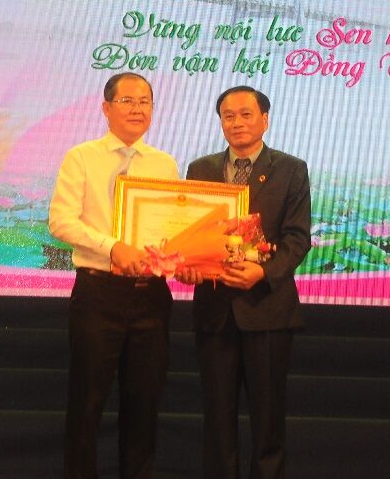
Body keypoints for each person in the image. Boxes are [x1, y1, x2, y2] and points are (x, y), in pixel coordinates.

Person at [48, 72, 180, 479]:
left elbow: (171, 227)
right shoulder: (81, 157)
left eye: (145, 101)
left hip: (151, 295)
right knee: (87, 403)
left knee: (144, 405)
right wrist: (112, 247)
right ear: (106, 108)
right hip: (99, 293)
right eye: (127, 101)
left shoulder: (163, 163)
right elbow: (60, 221)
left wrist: (180, 254)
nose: (137, 109)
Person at [179, 86, 311, 479]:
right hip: (214, 311)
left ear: (264, 119)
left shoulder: (291, 169)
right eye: (228, 116)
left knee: (268, 420)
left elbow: (297, 238)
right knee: (217, 418)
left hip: (267, 311)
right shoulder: (200, 170)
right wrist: (188, 264)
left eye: (246, 114)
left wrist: (263, 272)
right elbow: (192, 234)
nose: (237, 122)